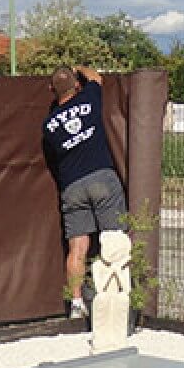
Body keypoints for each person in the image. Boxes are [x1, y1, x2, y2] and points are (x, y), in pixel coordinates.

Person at [42, 66, 127, 319]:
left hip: (72, 186)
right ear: (76, 85)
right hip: (102, 178)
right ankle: (114, 297)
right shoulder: (89, 98)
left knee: (77, 248)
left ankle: (77, 305)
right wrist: (79, 69)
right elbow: (97, 78)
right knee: (113, 239)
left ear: (51, 90)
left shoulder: (48, 125)